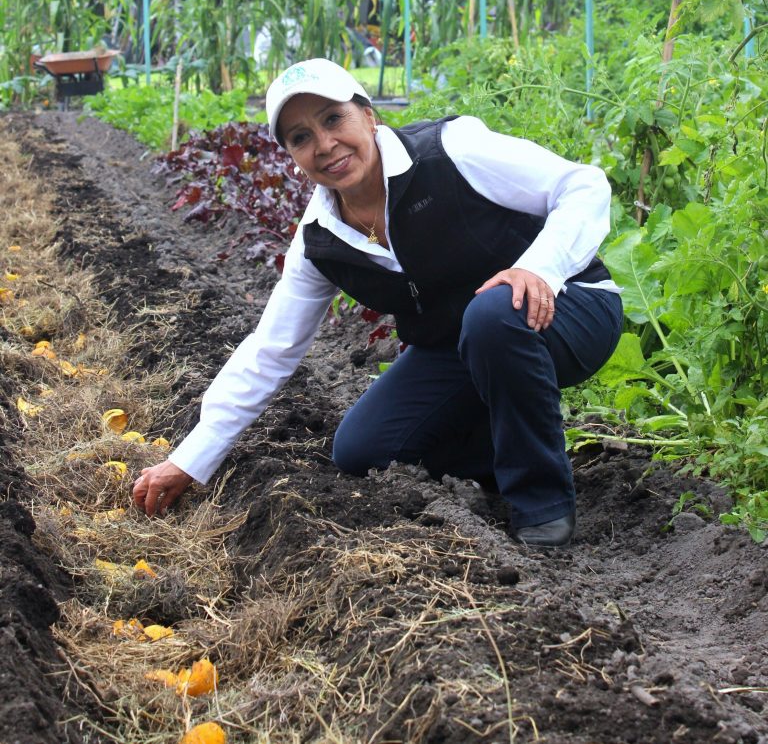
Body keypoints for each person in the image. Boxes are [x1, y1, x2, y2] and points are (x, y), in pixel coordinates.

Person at [133, 58, 623, 547]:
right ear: (290, 155)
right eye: (300, 137)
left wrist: (539, 267)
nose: (325, 145)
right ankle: (512, 446)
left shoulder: (449, 151)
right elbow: (272, 348)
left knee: (493, 314)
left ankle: (542, 508)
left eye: (333, 119)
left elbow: (582, 185)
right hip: (460, 347)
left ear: (369, 115)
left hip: (566, 308)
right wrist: (190, 459)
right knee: (363, 449)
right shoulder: (321, 239)